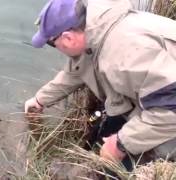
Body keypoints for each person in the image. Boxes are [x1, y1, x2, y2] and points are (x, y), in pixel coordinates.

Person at [24, 0, 176, 164]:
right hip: (158, 96)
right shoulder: (96, 29)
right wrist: (40, 99)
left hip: (168, 113)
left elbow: (172, 106)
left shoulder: (123, 55)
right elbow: (77, 70)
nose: (55, 47)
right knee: (98, 141)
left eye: (52, 43)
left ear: (67, 38)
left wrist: (121, 144)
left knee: (116, 168)